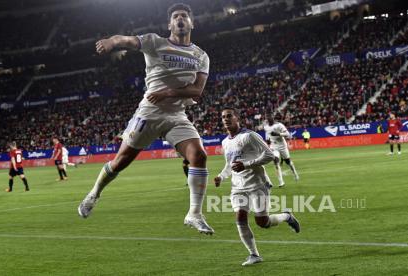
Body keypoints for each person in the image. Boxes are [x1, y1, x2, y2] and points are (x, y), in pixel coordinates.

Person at [78, 3, 214, 234]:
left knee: (199, 155)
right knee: (121, 161)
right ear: (169, 24)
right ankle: (94, 193)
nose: (180, 19)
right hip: (148, 112)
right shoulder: (155, 42)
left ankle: (194, 214)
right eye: (175, 16)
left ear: (192, 23)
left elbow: (197, 91)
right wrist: (112, 41)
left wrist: (168, 93)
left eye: (184, 16)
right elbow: (128, 40)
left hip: (176, 115)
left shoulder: (201, 56)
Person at [214, 107, 300, 266]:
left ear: (237, 118)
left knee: (263, 222)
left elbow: (269, 155)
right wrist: (221, 176)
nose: (226, 119)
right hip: (238, 187)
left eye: (229, 116)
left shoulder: (250, 136)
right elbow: (229, 165)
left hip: (257, 184)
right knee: (240, 218)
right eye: (223, 117)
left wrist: (246, 165)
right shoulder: (225, 142)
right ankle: (254, 255)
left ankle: (287, 216)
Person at [263, 114, 299, 187]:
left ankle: (295, 173)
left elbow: (288, 134)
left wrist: (278, 134)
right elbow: (267, 134)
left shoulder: (279, 125)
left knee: (288, 162)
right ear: (267, 119)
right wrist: (267, 142)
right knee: (276, 162)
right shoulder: (266, 127)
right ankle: (281, 182)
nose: (270, 119)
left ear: (273, 118)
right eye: (268, 118)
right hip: (274, 146)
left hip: (282, 146)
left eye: (271, 118)